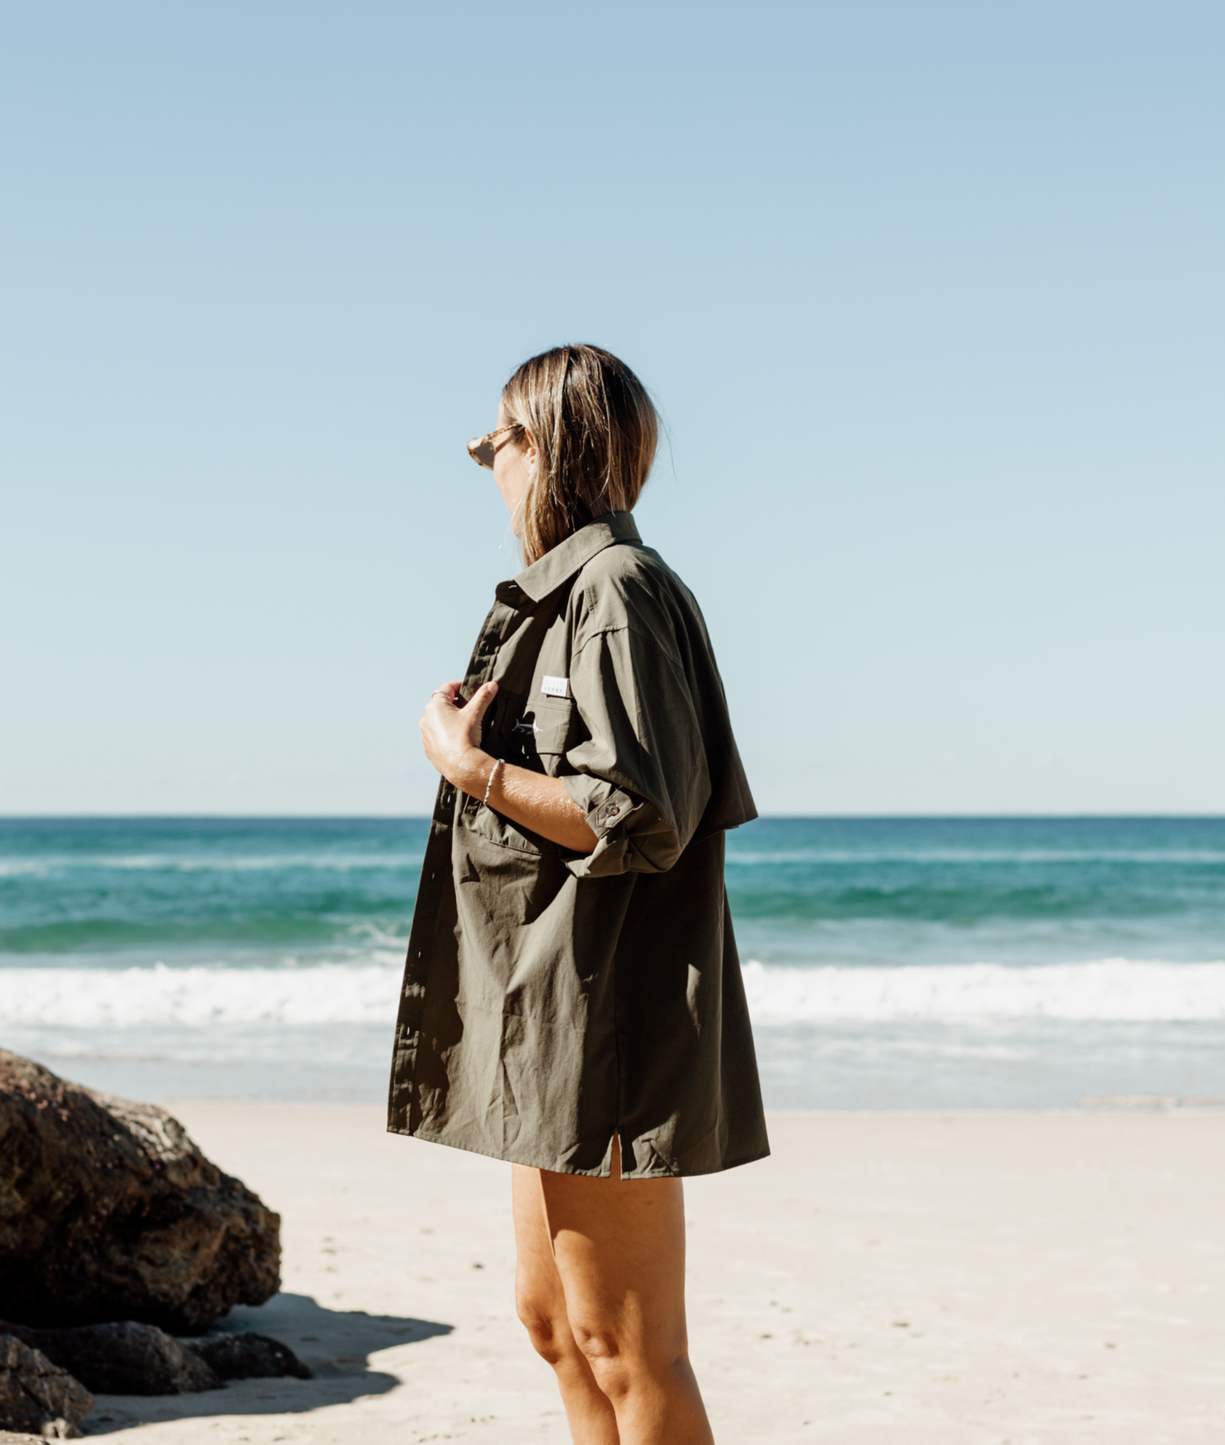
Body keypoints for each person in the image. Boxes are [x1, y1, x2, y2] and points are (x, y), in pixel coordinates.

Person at [389, 344, 767, 1444]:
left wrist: (469, 767)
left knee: (626, 1341)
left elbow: (636, 813)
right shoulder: (561, 597)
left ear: (546, 447)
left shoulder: (616, 590)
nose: (483, 464)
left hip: (606, 1014)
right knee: (553, 1320)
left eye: (491, 442)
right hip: (547, 1005)